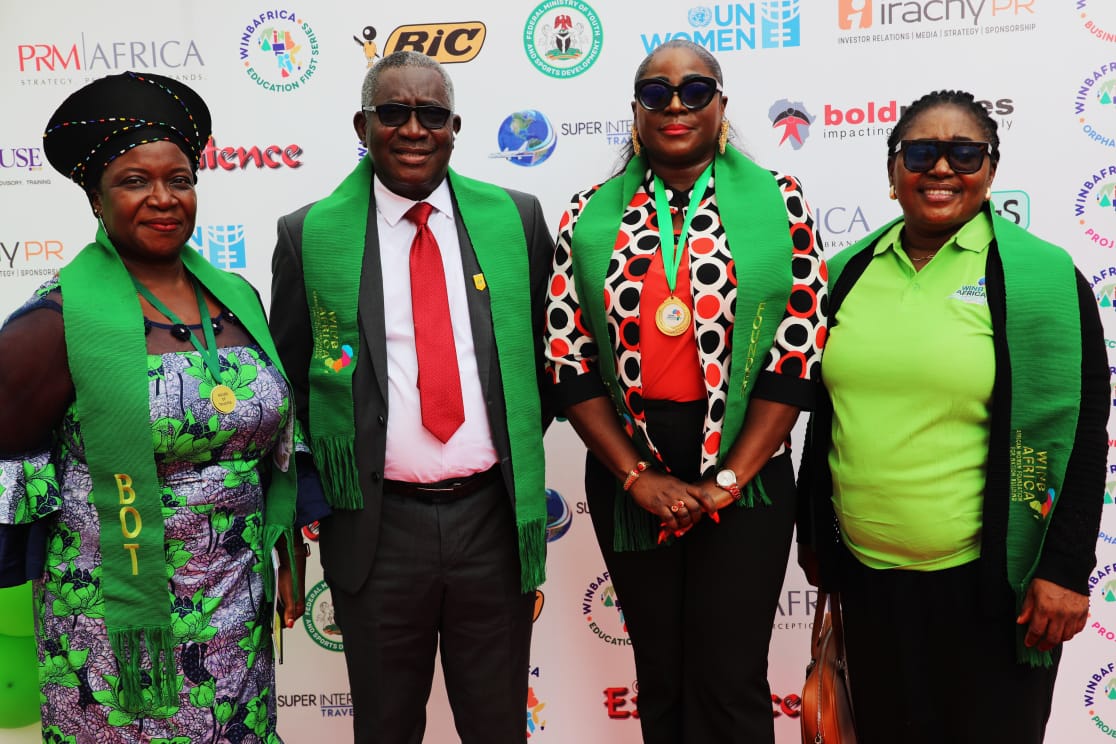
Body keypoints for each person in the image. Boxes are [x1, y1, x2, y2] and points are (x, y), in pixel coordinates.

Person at [0, 71, 306, 742]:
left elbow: (279, 446)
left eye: (181, 179)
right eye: (135, 181)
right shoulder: (55, 322)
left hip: (235, 602)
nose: (164, 198)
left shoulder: (238, 298)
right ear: (96, 199)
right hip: (119, 621)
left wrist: (291, 559)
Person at [797, 90, 1108, 744]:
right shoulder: (846, 274)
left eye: (964, 153)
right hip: (870, 585)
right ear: (892, 171)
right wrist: (814, 537)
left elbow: (1081, 436)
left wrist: (1064, 568)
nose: (941, 168)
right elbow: (824, 421)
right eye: (920, 153)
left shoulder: (1042, 280)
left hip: (993, 592)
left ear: (990, 170)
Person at [544, 39, 827, 744]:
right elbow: (568, 356)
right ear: (635, 113)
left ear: (721, 106)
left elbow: (796, 352)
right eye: (657, 92)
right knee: (662, 675)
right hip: (630, 471)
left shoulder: (780, 203)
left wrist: (728, 479)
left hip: (750, 469)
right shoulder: (586, 216)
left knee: (729, 676)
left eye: (695, 90)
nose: (676, 104)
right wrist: (637, 477)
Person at [269, 50, 552, 744]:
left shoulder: (516, 221)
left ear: (455, 126)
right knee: (387, 727)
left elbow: (546, 365)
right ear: (363, 125)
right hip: (375, 526)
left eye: (431, 114)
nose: (413, 129)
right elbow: (293, 385)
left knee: (496, 727)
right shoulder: (308, 236)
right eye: (393, 113)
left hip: (490, 521)